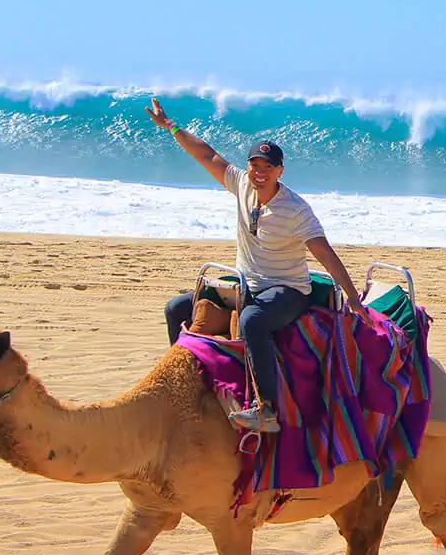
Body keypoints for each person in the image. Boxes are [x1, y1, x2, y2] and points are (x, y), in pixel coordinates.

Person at [150, 97, 363, 434]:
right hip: (246, 284)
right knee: (176, 309)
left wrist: (351, 296)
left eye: (267, 167)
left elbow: (324, 253)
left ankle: (266, 410)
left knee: (252, 322)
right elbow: (207, 155)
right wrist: (171, 126)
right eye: (254, 165)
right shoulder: (242, 185)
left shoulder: (295, 209)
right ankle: (182, 387)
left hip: (287, 290)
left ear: (279, 171)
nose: (259, 173)